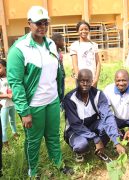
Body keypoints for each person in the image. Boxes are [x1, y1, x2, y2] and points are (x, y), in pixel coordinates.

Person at [7, 6, 68, 177]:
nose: (42, 26)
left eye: (45, 23)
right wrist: (24, 111)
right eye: (38, 23)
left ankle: (58, 163)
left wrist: (60, 95)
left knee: (53, 136)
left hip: (53, 101)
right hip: (34, 105)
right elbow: (16, 83)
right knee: (33, 141)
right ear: (29, 23)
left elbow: (57, 73)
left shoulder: (51, 44)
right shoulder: (19, 49)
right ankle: (33, 171)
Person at [64, 69, 125, 162]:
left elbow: (107, 116)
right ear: (77, 81)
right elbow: (75, 124)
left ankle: (99, 148)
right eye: (82, 81)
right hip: (75, 129)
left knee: (107, 124)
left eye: (88, 81)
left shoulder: (98, 95)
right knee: (82, 145)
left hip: (92, 124)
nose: (85, 83)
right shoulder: (70, 98)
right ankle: (80, 151)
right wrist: (95, 138)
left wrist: (116, 141)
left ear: (92, 81)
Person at [70, 21, 101, 87]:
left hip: (92, 78)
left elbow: (98, 63)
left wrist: (96, 79)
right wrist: (80, 80)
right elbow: (75, 64)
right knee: (81, 97)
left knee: (93, 96)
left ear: (89, 31)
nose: (84, 31)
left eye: (86, 29)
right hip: (80, 79)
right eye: (81, 29)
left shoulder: (94, 45)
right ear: (78, 31)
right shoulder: (74, 46)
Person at [0, 59, 18, 147]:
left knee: (13, 121)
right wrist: (7, 95)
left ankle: (15, 134)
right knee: (4, 125)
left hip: (12, 103)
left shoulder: (10, 77)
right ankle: (5, 143)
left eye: (0, 68)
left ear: (5, 68)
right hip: (3, 105)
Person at [52, 33, 66, 99]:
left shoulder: (59, 50)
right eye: (62, 40)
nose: (64, 43)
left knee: (62, 92)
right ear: (57, 41)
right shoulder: (52, 52)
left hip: (62, 75)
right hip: (56, 76)